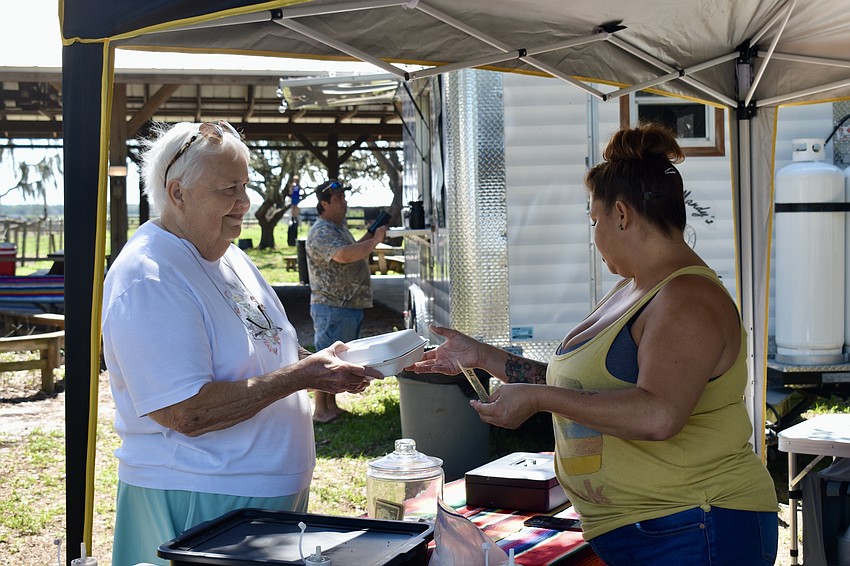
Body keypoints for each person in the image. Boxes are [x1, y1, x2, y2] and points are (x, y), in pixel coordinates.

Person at [408, 123, 779, 565]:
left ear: (621, 215)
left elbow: (659, 414)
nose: (595, 233)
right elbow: (588, 390)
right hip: (657, 526)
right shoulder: (635, 287)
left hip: (697, 524)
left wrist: (538, 399)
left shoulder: (687, 298)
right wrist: (484, 357)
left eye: (594, 220)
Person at [101, 121, 383, 566]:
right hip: (200, 497)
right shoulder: (150, 275)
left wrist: (328, 364)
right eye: (229, 189)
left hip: (253, 495)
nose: (244, 203)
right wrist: (303, 376)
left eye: (245, 186)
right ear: (178, 193)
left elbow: (268, 349)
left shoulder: (227, 254)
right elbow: (186, 411)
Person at [306, 179, 388, 423]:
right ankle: (321, 410)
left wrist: (370, 235)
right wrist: (374, 242)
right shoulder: (322, 231)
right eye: (338, 199)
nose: (344, 202)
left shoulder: (336, 229)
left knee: (337, 360)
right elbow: (343, 255)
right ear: (324, 203)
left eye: (344, 197)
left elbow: (352, 248)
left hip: (344, 305)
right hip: (333, 306)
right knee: (325, 360)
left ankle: (330, 405)